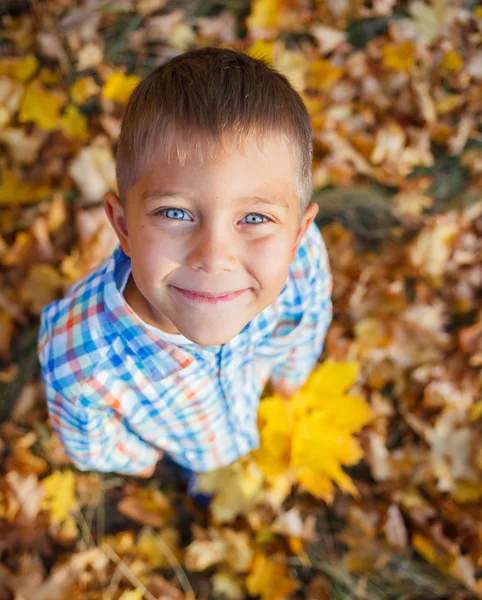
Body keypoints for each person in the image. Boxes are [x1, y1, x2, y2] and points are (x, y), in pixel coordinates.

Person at [37, 47, 333, 503]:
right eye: (174, 213)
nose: (214, 257)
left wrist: (292, 375)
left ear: (297, 234)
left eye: (254, 218)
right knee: (201, 472)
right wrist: (139, 459)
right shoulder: (79, 359)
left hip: (256, 402)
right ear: (122, 226)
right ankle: (201, 476)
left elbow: (308, 318)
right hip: (182, 442)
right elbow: (90, 441)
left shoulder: (302, 262)